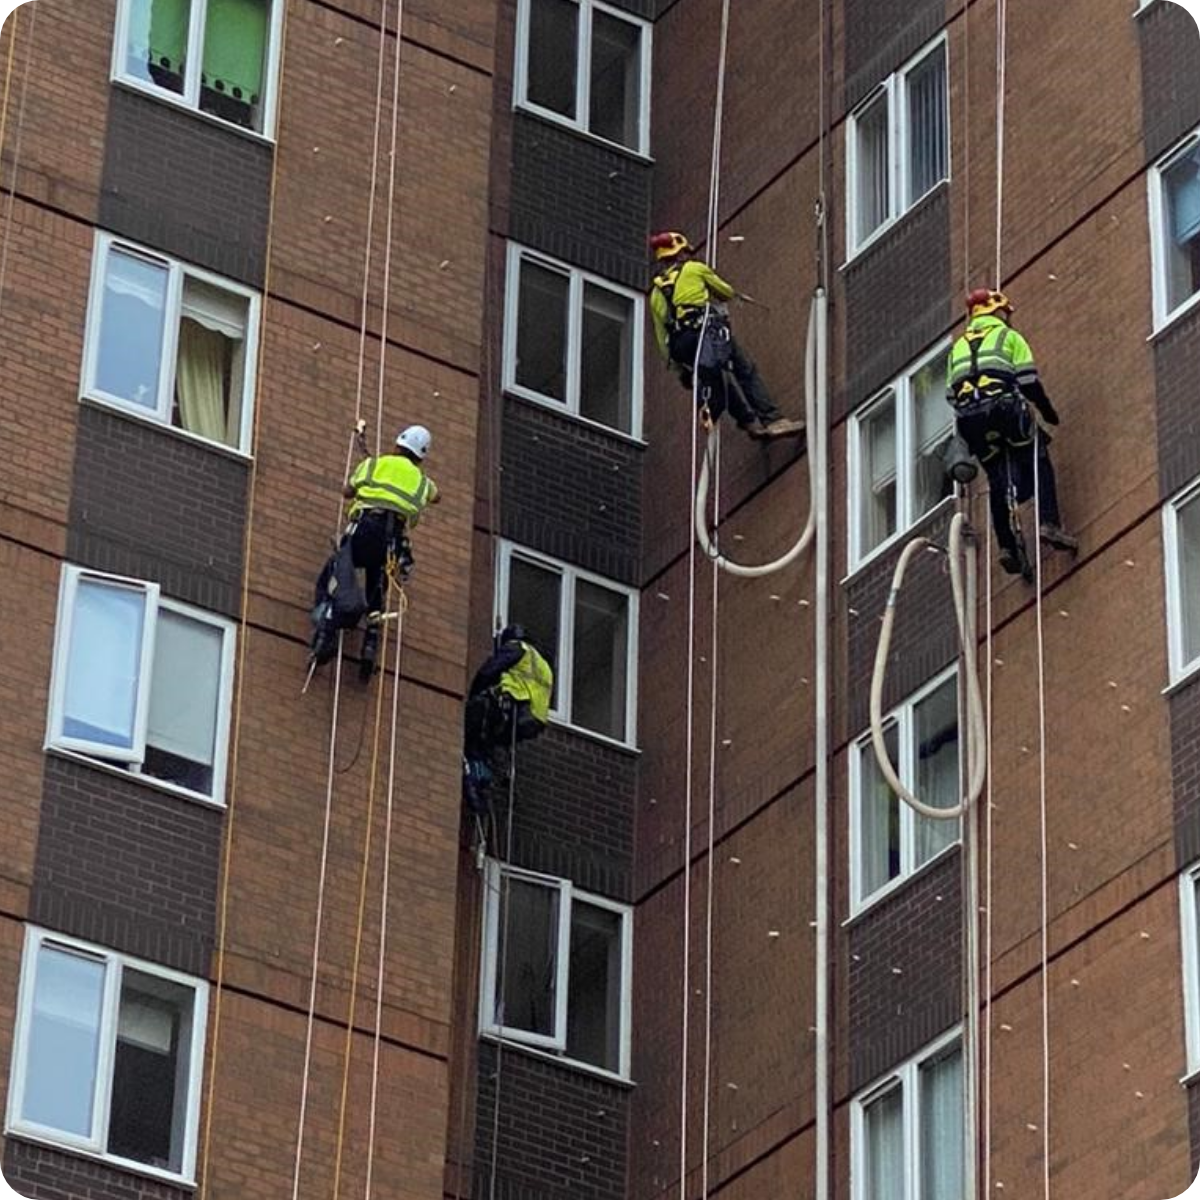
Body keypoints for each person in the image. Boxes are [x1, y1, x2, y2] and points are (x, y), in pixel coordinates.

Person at [946, 288, 1078, 575]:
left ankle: (1006, 546)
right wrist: (1047, 412)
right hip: (1005, 411)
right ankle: (1049, 523)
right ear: (999, 313)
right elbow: (1028, 382)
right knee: (1036, 455)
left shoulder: (956, 348)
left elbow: (952, 396)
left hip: (971, 422)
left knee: (996, 479)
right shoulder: (1008, 337)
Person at [310, 424, 440, 676]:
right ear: (420, 457)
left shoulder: (373, 465)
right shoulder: (423, 483)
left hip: (364, 529)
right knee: (377, 586)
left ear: (397, 445)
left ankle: (325, 630)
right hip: (391, 540)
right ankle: (369, 644)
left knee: (336, 571)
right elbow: (437, 497)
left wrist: (368, 477)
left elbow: (347, 492)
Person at [648, 231, 804, 440]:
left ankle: (748, 423)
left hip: (681, 345)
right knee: (743, 369)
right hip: (706, 332)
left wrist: (679, 370)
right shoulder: (695, 269)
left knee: (716, 378)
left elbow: (661, 337)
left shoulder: (656, 294)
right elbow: (725, 292)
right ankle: (773, 420)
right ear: (682, 254)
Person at [462, 625, 553, 815]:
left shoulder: (516, 648)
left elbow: (488, 671)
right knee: (490, 740)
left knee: (477, 716)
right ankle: (485, 773)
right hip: (533, 721)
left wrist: (473, 695)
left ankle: (474, 773)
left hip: (516, 707)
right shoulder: (544, 664)